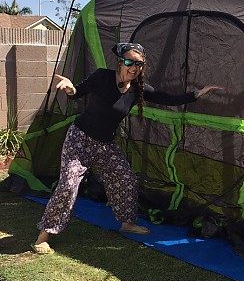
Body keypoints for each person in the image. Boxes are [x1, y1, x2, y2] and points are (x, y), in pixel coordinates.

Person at [31, 42, 223, 254]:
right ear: (120, 61)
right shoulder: (102, 76)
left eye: (139, 64)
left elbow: (168, 99)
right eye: (129, 62)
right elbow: (78, 92)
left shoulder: (138, 90)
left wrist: (198, 94)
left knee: (126, 178)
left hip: (104, 145)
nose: (134, 67)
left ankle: (127, 222)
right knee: (68, 183)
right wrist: (70, 88)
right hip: (80, 139)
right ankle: (45, 234)